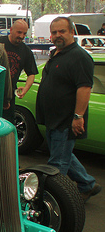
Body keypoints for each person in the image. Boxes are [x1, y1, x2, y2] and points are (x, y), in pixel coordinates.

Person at [36, 16, 101, 202]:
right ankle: (87, 184)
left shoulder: (79, 57)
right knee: (63, 154)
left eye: (62, 31)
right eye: (54, 32)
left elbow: (84, 88)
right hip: (53, 119)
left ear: (72, 32)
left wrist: (78, 116)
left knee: (56, 164)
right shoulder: (57, 53)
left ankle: (50, 200)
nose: (58, 35)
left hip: (65, 120)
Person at [0, 19, 38, 124]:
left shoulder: (26, 51)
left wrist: (25, 89)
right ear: (11, 30)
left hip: (9, 96)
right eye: (19, 32)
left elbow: (31, 74)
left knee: (7, 125)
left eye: (24, 33)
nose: (22, 36)